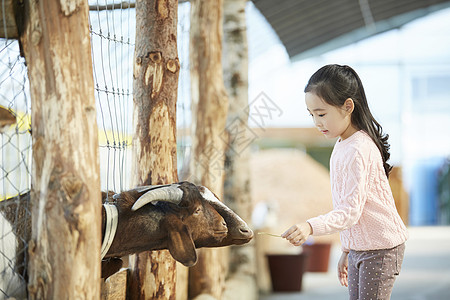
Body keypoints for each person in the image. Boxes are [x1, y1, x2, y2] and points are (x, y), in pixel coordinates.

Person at [282, 64, 408, 300]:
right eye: (312, 115)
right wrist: (348, 250)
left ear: (347, 106)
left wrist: (309, 227)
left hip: (381, 248)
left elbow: (350, 211)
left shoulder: (359, 148)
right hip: (362, 248)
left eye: (321, 113)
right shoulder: (342, 145)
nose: (317, 122)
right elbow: (347, 204)